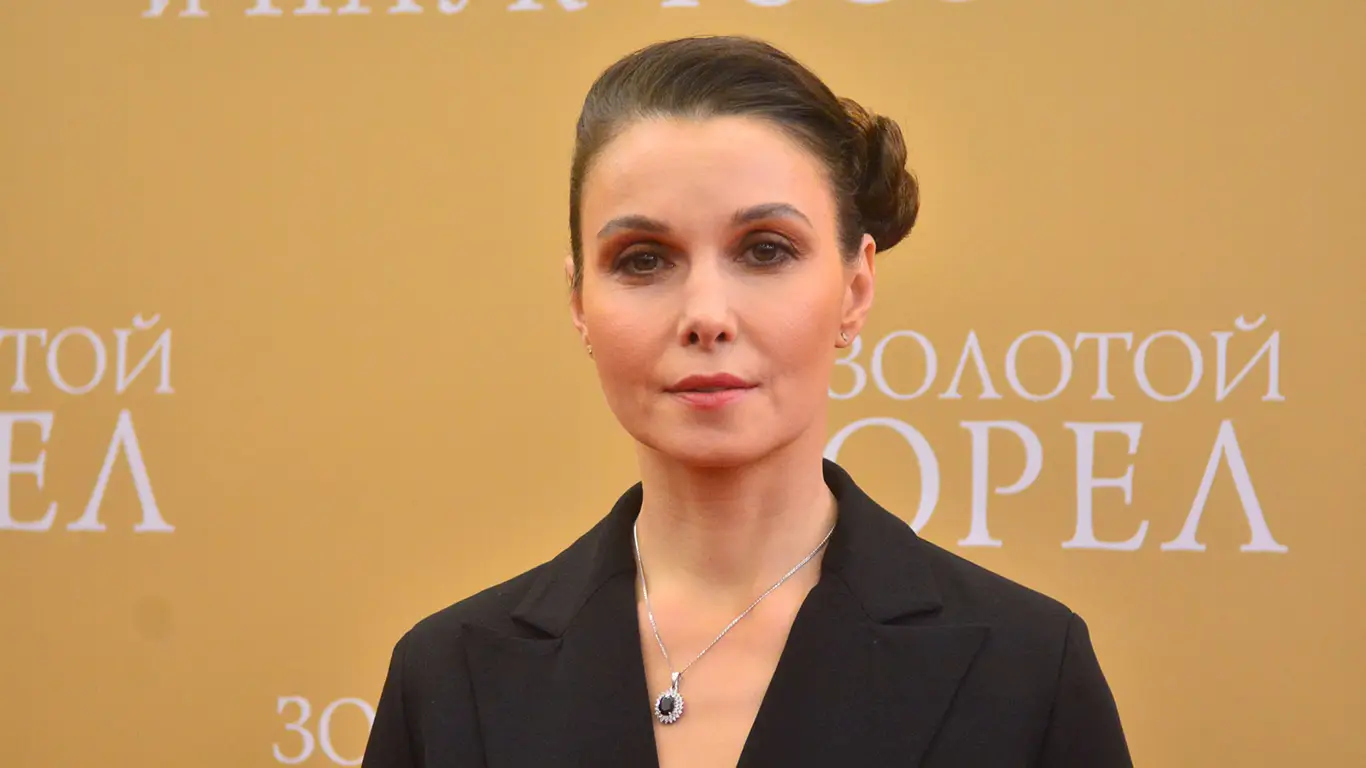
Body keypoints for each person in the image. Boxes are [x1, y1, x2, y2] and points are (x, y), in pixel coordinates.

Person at [361, 35, 1132, 768]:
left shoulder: (1028, 668)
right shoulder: (448, 677)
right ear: (578, 302)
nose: (706, 315)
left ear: (855, 289)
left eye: (765, 250)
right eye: (643, 260)